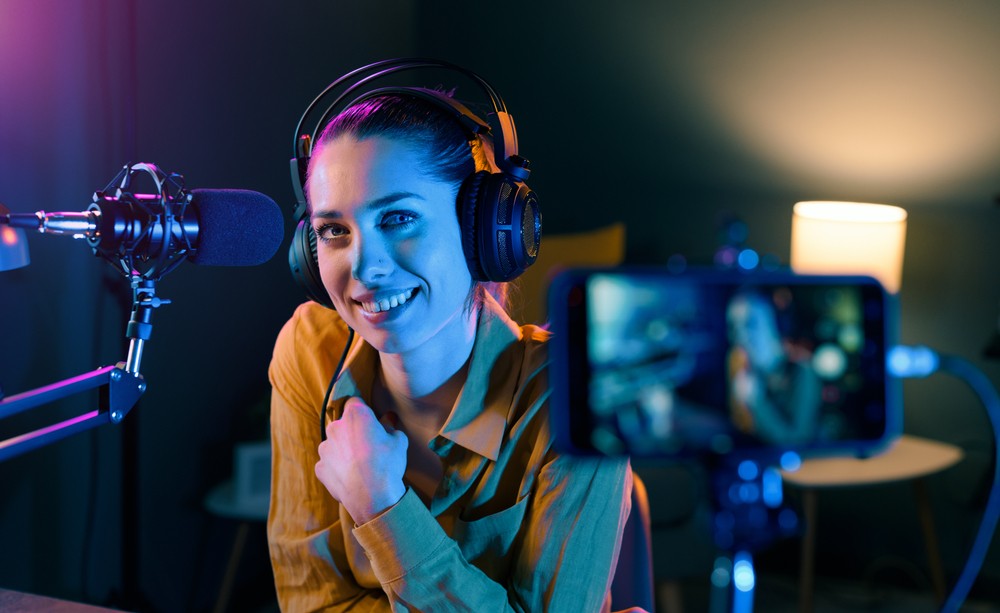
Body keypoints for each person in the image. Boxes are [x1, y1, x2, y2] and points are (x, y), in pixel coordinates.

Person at [267, 65, 634, 612]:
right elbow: (311, 603)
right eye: (334, 231)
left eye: (398, 218)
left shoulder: (581, 397)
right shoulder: (309, 350)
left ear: (486, 227)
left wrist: (382, 505)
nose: (363, 269)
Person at [726, 289, 821, 445]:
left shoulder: (802, 373)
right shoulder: (744, 369)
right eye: (735, 328)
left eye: (751, 325)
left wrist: (755, 401)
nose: (744, 338)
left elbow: (795, 439)